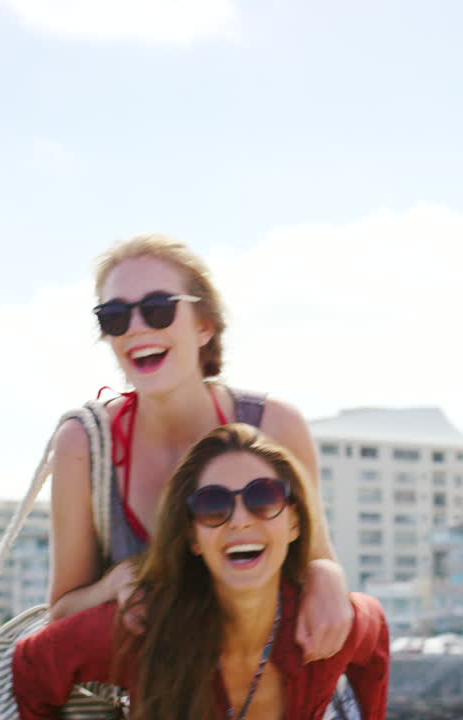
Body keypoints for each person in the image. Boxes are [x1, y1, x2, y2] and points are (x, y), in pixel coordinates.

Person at [47, 233, 351, 662]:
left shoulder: (276, 425)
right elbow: (59, 613)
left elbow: (316, 557)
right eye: (114, 317)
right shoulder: (83, 444)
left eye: (158, 309)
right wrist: (112, 588)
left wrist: (328, 577)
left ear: (204, 325)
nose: (136, 328)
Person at [14, 424, 391, 720]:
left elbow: (375, 637)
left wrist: (327, 572)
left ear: (294, 521)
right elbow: (33, 662)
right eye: (213, 505)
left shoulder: (328, 623)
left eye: (264, 498)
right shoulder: (146, 628)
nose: (240, 521)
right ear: (193, 536)